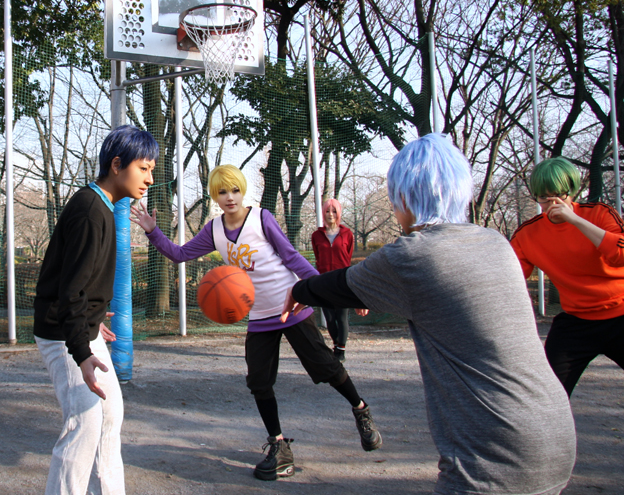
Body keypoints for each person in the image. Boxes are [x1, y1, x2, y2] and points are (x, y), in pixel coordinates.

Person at [283, 134, 576, 495]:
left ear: (404, 198)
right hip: (556, 430)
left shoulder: (413, 256)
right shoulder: (495, 242)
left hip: (496, 456)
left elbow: (341, 283)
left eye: (394, 199)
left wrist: (298, 290)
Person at [131, 164, 382, 482]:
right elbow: (180, 254)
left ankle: (360, 409)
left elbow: (292, 257)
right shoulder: (215, 230)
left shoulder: (261, 218)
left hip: (290, 306)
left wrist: (334, 292)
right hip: (259, 317)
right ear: (215, 196)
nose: (230, 197)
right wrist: (153, 231)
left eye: (234, 189)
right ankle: (279, 446)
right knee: (259, 382)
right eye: (222, 192)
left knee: (326, 368)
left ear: (242, 190)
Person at [33, 124, 158, 495]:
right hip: (63, 334)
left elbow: (81, 284)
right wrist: (82, 350)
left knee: (109, 417)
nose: (150, 179)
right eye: (144, 168)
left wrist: (92, 320)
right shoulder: (90, 209)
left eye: (152, 170)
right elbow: (70, 291)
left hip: (82, 328)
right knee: (84, 422)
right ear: (117, 165)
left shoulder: (103, 206)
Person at [510, 156, 624, 396]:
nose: (552, 204)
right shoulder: (528, 234)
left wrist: (574, 219)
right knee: (547, 395)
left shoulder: (601, 214)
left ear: (573, 190)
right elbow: (509, 280)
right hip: (576, 322)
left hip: (620, 313)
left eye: (560, 196)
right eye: (544, 197)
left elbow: (620, 255)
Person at [311, 198, 368, 362]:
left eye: (334, 211)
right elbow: (318, 257)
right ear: (323, 213)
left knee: (341, 316)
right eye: (327, 211)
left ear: (339, 213)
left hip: (342, 280)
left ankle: (340, 350)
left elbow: (347, 256)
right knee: (329, 318)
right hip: (324, 281)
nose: (330, 214)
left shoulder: (347, 234)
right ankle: (336, 344)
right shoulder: (316, 235)